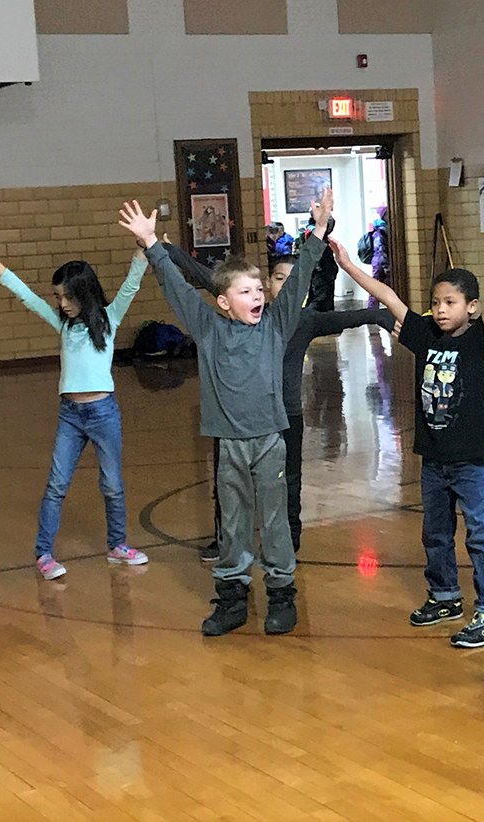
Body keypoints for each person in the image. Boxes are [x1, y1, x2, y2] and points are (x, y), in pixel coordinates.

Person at [118, 190, 334, 637]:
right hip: (230, 445)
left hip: (270, 442)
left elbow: (299, 280)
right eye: (246, 291)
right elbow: (178, 288)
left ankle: (281, 594)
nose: (257, 296)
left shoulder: (276, 325)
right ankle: (232, 598)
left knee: (274, 520)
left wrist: (317, 232)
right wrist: (152, 244)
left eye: (259, 289)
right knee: (232, 523)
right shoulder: (208, 329)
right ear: (223, 301)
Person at [329, 231, 484, 648]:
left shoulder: (478, 338)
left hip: (470, 460)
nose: (440, 310)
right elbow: (388, 296)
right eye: (436, 302)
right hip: (434, 460)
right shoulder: (424, 335)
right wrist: (348, 266)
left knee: (480, 533)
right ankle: (444, 597)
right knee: (435, 532)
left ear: (470, 307)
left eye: (450, 303)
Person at [160, 244, 393, 560]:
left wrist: (382, 315)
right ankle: (224, 538)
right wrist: (171, 252)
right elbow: (212, 280)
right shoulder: (249, 316)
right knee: (228, 482)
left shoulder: (304, 320)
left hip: (286, 416)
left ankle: (290, 538)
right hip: (238, 418)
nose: (286, 285)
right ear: (268, 284)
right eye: (280, 278)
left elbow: (349, 317)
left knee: (289, 480)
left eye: (293, 280)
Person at [0, 245, 150, 580]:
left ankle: (118, 545)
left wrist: (144, 247)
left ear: (84, 293)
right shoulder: (64, 325)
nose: (62, 304)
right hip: (71, 416)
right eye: (58, 297)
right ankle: (44, 553)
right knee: (57, 484)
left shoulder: (109, 318)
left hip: (103, 413)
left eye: (68, 297)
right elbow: (27, 297)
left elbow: (131, 285)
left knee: (112, 484)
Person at [297, 212, 338, 311]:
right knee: (321, 298)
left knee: (316, 296)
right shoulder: (316, 233)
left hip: (318, 271)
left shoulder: (310, 231)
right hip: (321, 271)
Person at [368, 206, 391, 309]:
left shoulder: (379, 229)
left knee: (376, 286)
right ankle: (372, 311)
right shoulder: (382, 230)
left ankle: (372, 309)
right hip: (380, 263)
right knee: (376, 287)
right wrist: (386, 266)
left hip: (378, 262)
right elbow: (381, 250)